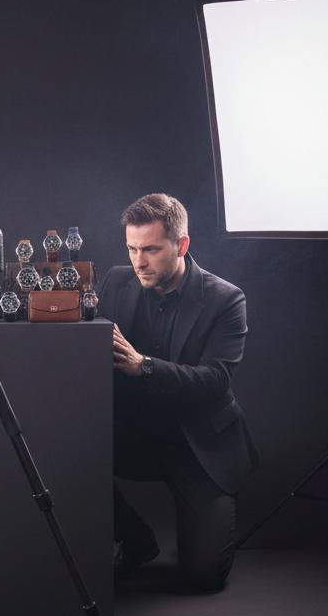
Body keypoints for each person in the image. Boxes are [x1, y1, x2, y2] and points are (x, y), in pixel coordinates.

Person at [98, 193, 258, 590]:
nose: (139, 261)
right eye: (132, 248)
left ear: (182, 245)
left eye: (151, 249)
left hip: (197, 444)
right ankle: (137, 540)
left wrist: (144, 366)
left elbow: (215, 380)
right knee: (59, 452)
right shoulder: (116, 281)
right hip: (135, 434)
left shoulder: (225, 299)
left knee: (204, 575)